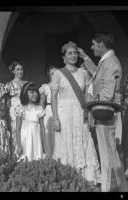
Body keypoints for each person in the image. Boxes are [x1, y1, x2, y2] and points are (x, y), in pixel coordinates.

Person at [77, 32, 128, 192]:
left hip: (105, 113)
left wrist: (93, 101)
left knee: (106, 156)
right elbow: (98, 74)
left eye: (93, 44)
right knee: (112, 153)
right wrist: (85, 57)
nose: (91, 47)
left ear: (101, 45)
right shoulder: (106, 61)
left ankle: (106, 189)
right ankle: (123, 188)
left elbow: (107, 92)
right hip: (106, 112)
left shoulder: (110, 62)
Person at [51, 41, 100, 185]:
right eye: (69, 53)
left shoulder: (83, 73)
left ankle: (86, 177)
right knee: (66, 142)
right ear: (63, 57)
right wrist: (55, 119)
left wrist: (85, 56)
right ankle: (66, 177)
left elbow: (98, 74)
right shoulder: (58, 74)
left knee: (83, 141)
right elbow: (53, 97)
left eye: (74, 53)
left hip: (80, 113)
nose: (73, 56)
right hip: (64, 114)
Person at [15, 82, 46, 162]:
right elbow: (18, 128)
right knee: (25, 157)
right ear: (25, 93)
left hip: (36, 138)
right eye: (32, 92)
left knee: (37, 157)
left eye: (36, 92)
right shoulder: (20, 108)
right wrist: (19, 145)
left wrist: (43, 143)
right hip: (25, 138)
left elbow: (42, 127)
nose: (35, 94)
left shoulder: (39, 109)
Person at [4, 61, 27, 154]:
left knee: (25, 134)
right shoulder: (8, 85)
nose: (20, 71)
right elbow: (5, 102)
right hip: (13, 113)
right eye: (17, 69)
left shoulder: (26, 84)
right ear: (13, 71)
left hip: (26, 111)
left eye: (21, 69)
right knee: (15, 134)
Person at [39, 66, 57, 158]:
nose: (54, 75)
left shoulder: (61, 86)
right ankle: (49, 157)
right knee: (49, 135)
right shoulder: (45, 87)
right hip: (49, 111)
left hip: (60, 110)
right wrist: (40, 116)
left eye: (56, 73)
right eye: (52, 73)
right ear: (49, 75)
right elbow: (42, 103)